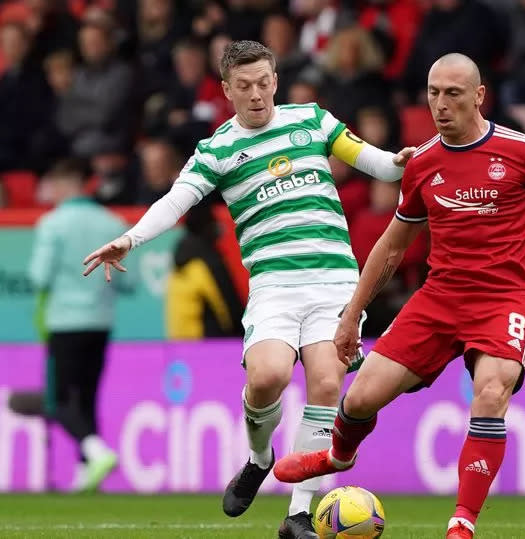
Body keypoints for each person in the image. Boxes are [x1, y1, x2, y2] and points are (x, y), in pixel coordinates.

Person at [270, 53, 525, 539]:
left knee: (490, 395)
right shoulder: (423, 162)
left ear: (479, 95)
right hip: (439, 298)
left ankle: (461, 525)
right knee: (359, 398)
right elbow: (392, 244)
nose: (440, 105)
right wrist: (351, 315)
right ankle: (338, 456)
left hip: (504, 299)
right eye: (433, 94)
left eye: (453, 94)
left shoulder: (522, 152)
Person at [82, 40, 414, 539]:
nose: (256, 94)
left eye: (263, 83)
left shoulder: (313, 121)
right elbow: (175, 202)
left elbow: (380, 165)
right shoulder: (216, 150)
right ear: (226, 90)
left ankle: (300, 514)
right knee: (267, 377)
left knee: (326, 382)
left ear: (275, 80)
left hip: (335, 284)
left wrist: (404, 161)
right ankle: (260, 458)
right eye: (244, 86)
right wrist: (130, 238)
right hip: (274, 287)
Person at [29, 159, 132, 492]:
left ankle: (95, 451)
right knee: (87, 398)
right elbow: (127, 282)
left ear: (63, 184)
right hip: (100, 322)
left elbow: (38, 277)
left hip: (64, 322)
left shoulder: (52, 224)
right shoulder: (112, 222)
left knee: (57, 401)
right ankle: (87, 471)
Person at [165, 198, 244, 339]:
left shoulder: (182, 255)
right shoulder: (207, 261)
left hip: (180, 339)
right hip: (208, 344)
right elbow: (228, 306)